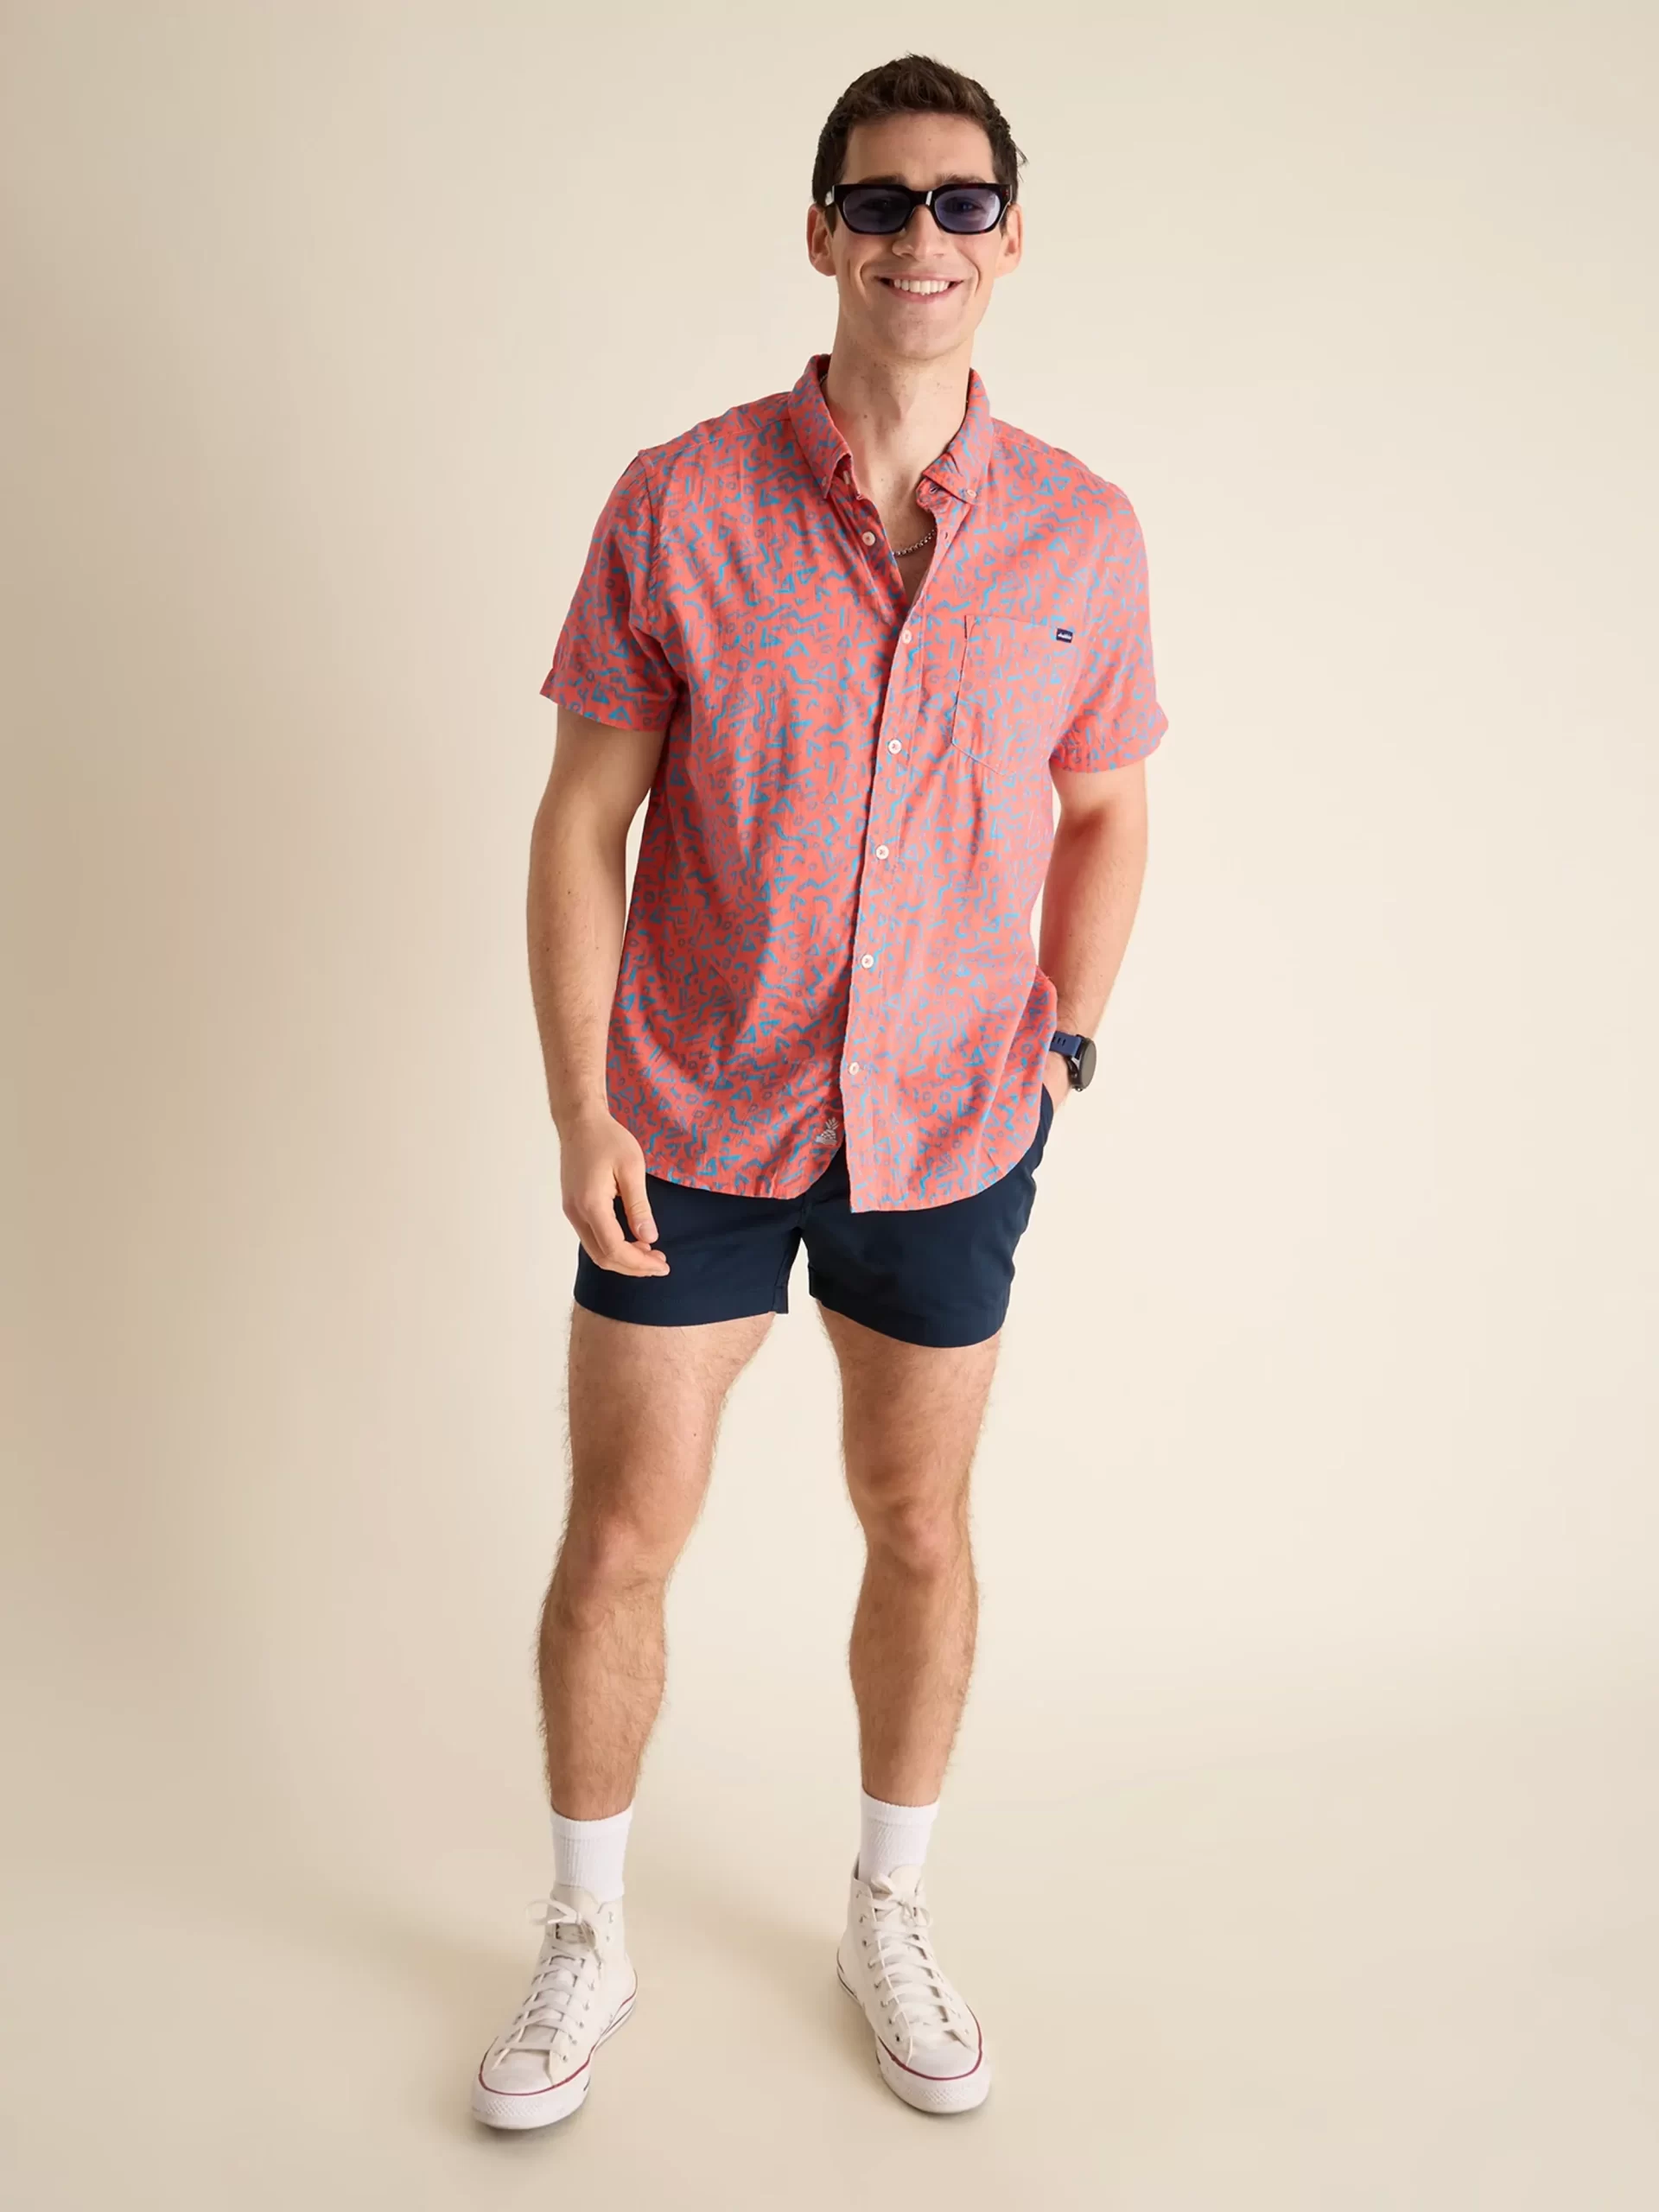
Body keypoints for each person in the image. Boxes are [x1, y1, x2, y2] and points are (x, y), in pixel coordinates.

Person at [472, 51, 1167, 2129]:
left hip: (951, 1124)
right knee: (622, 1532)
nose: (919, 237)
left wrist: (1065, 1038)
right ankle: (586, 1930)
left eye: (960, 202)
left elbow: (1108, 806)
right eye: (879, 202)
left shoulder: (1086, 531)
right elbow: (580, 817)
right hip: (693, 1114)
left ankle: (889, 1903)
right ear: (821, 233)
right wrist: (583, 1104)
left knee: (919, 1522)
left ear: (1010, 238)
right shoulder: (679, 502)